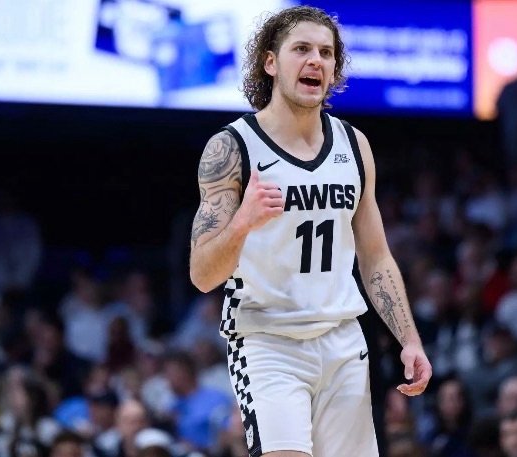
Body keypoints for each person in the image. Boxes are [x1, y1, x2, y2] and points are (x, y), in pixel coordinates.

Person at [188, 6, 431, 457]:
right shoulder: (232, 147)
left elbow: (375, 255)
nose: (315, 60)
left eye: (326, 52)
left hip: (343, 340)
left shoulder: (353, 144)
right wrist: (242, 222)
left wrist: (409, 339)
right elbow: (202, 275)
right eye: (301, 49)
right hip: (267, 341)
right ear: (270, 62)